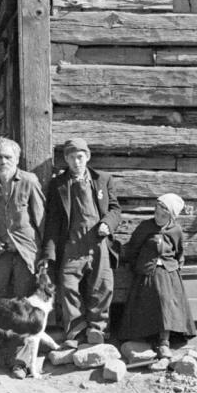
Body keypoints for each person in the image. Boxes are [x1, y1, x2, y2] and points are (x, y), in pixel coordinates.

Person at [41, 138, 120, 346]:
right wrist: (49, 253)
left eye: (80, 157)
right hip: (72, 243)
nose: (76, 162)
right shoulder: (58, 185)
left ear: (87, 157)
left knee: (102, 286)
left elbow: (115, 209)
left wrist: (108, 224)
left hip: (98, 242)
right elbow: (53, 220)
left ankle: (98, 329)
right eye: (72, 157)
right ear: (66, 159)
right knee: (67, 285)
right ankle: (76, 331)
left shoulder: (102, 179)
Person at [116, 193, 195, 358]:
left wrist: (174, 267)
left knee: (166, 300)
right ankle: (147, 340)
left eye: (164, 215)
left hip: (168, 273)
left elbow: (179, 252)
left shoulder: (176, 230)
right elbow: (133, 249)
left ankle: (164, 342)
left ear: (171, 216)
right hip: (146, 272)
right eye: (157, 212)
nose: (159, 217)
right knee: (151, 301)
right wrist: (138, 266)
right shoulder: (145, 227)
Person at [0, 137, 46, 300]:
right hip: (0, 251)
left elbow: (42, 221)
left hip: (26, 251)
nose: (3, 161)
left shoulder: (29, 181)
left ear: (17, 159)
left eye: (8, 157)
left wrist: (45, 255)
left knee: (26, 301)